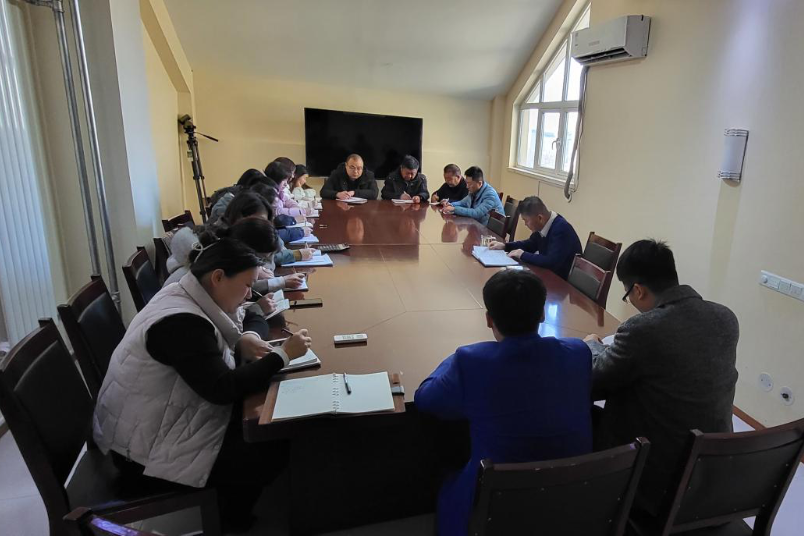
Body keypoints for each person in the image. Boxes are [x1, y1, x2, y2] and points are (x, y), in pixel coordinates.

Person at [93, 233, 313, 532]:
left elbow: (249, 313)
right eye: (247, 285)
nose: (249, 293)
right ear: (218, 277)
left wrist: (246, 338)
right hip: (143, 453)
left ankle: (237, 506)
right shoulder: (181, 323)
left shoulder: (189, 294)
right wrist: (282, 356)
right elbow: (222, 389)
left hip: (154, 425)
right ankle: (231, 520)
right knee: (269, 443)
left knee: (266, 415)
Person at [415, 270, 593, 536]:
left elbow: (425, 399)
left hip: (494, 505)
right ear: (542, 314)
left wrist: (456, 359)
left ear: (489, 319)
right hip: (572, 499)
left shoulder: (471, 362)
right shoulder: (579, 352)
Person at [584, 239, 739, 515]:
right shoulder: (725, 318)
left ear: (639, 290)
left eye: (628, 295)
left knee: (581, 416)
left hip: (658, 477)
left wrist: (593, 345)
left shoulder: (644, 328)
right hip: (711, 471)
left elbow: (595, 383)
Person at [489, 196, 581, 279]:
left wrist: (522, 254)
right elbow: (530, 244)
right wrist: (505, 246)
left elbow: (551, 262)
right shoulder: (544, 225)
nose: (525, 224)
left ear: (540, 218)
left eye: (526, 220)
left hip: (561, 282)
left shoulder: (561, 229)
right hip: (549, 275)